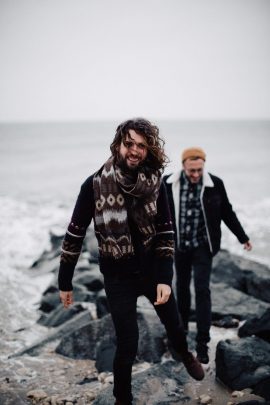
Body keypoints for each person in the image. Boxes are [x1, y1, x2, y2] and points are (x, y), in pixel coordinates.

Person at [58, 120, 204, 405]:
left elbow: (165, 231)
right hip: (117, 277)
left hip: (152, 271)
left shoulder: (154, 183)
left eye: (141, 145)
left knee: (174, 326)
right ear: (118, 144)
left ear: (148, 150)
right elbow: (74, 233)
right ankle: (121, 399)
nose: (134, 150)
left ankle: (185, 354)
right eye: (129, 143)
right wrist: (65, 281)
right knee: (127, 344)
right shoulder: (94, 185)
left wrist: (164, 277)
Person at [164, 147, 252, 365]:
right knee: (181, 288)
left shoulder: (215, 184)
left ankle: (202, 343)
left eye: (199, 170)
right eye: (191, 170)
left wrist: (243, 237)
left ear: (204, 165)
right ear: (183, 166)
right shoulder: (168, 183)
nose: (195, 175)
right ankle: (181, 333)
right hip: (179, 245)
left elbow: (227, 213)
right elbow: (156, 214)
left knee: (202, 290)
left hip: (204, 246)